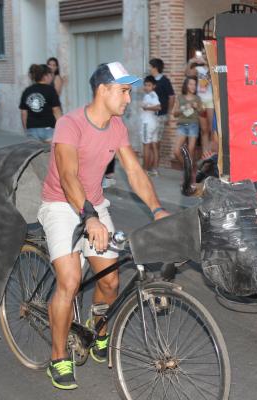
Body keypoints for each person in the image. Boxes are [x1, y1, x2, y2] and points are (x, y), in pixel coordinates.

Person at [37, 61, 169, 390]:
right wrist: (89, 216)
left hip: (94, 204)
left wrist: (157, 210)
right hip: (61, 204)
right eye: (123, 91)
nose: (128, 98)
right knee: (69, 280)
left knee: (110, 282)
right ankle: (58, 357)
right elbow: (68, 176)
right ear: (103, 90)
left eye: (129, 91)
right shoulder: (70, 124)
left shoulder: (117, 127)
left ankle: (98, 331)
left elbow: (135, 171)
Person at [19, 64, 62, 143]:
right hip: (48, 129)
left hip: (32, 129)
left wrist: (26, 129)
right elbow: (56, 110)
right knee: (51, 154)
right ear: (45, 76)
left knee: (35, 153)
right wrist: (61, 126)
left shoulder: (27, 91)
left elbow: (23, 113)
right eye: (50, 75)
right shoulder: (50, 90)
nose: (51, 77)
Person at [186, 49, 216, 155]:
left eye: (206, 53)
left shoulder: (214, 67)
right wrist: (192, 61)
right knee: (204, 130)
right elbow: (188, 73)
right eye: (203, 53)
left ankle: (212, 153)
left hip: (211, 101)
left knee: (213, 129)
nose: (205, 55)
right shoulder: (198, 68)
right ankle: (205, 153)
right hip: (200, 101)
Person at [172, 76, 203, 175]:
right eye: (191, 84)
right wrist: (184, 107)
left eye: (194, 84)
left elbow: (202, 111)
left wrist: (197, 107)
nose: (193, 86)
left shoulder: (197, 98)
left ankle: (190, 175)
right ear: (186, 85)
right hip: (182, 125)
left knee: (190, 150)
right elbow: (174, 113)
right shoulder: (180, 97)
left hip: (193, 125)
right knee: (176, 151)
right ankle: (187, 168)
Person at [148, 58, 175, 170]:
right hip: (149, 116)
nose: (149, 69)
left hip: (160, 115)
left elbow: (172, 97)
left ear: (155, 67)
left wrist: (168, 112)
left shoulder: (164, 81)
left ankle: (155, 167)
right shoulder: (150, 80)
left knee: (156, 142)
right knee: (149, 142)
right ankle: (149, 166)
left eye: (150, 67)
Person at [140, 75, 161, 175]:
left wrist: (146, 108)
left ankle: (144, 170)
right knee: (154, 147)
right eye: (145, 85)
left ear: (154, 86)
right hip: (154, 122)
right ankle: (154, 170)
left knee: (146, 147)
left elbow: (158, 107)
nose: (146, 87)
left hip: (147, 123)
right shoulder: (151, 95)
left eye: (149, 85)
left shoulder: (151, 95)